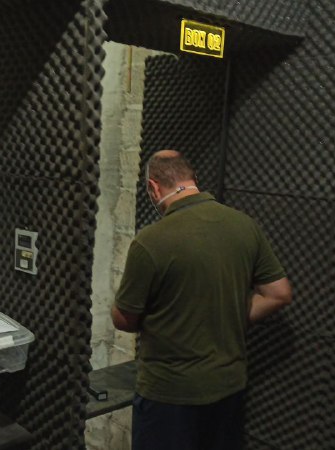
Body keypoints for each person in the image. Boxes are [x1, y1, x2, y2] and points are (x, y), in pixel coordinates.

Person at [111, 150, 292, 450]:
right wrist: (229, 314)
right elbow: (279, 294)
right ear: (193, 178)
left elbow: (124, 319)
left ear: (154, 187)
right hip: (229, 388)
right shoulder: (243, 224)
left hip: (169, 394)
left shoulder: (151, 240)